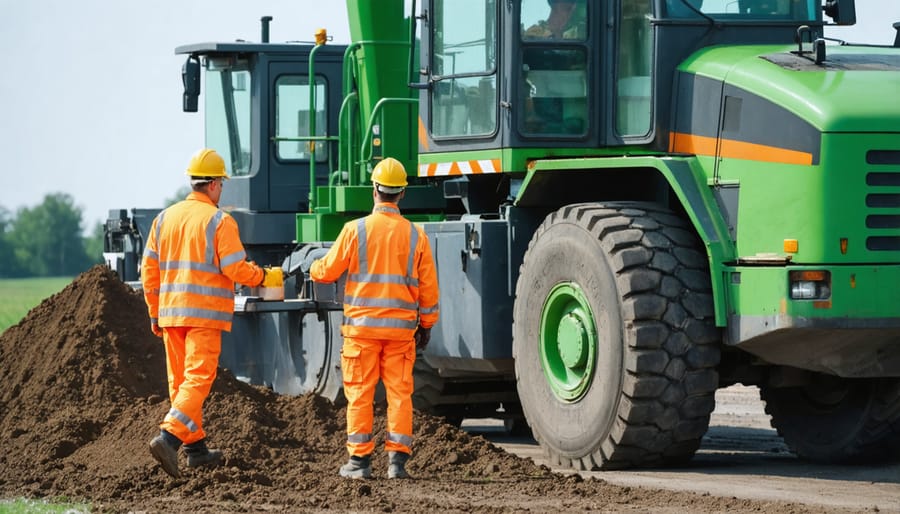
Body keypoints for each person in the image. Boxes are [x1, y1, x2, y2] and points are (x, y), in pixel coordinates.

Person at [141, 148, 283, 478]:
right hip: (203, 316)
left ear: (194, 182)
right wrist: (261, 276)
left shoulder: (164, 218)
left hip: (170, 314)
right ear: (216, 185)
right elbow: (235, 267)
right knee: (198, 380)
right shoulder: (219, 220)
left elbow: (149, 270)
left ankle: (196, 449)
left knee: (180, 384)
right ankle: (169, 438)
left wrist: (153, 313)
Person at [302, 157, 440, 480]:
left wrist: (312, 267)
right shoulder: (416, 236)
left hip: (361, 332)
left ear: (374, 190)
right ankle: (397, 464)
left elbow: (328, 270)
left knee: (360, 395)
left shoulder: (355, 230)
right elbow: (429, 290)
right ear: (402, 194)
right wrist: (427, 325)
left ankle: (359, 463)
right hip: (400, 335)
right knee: (400, 395)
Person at [522, 0, 586, 40]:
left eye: (572, 11)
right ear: (554, 6)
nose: (569, 15)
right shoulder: (535, 32)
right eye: (567, 9)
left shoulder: (574, 35)